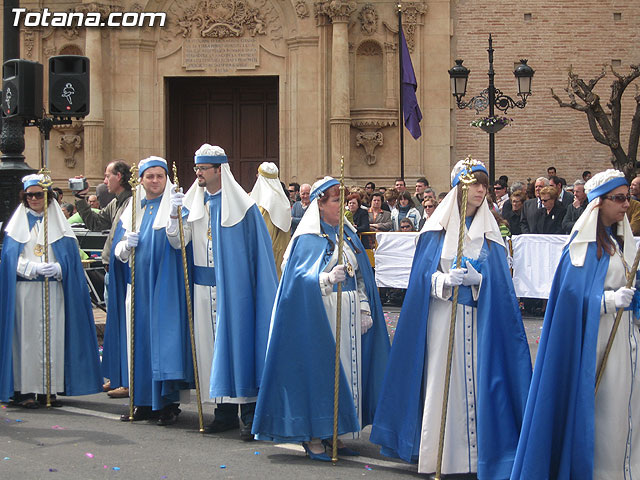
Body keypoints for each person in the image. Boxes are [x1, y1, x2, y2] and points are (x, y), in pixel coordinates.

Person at [370, 159, 532, 478]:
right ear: (459, 188)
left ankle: (476, 457)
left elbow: (502, 288)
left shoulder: (490, 236)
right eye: (474, 184)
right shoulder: (435, 232)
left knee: (477, 384)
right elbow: (420, 281)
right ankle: (440, 455)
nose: (481, 190)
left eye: (484, 185)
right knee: (443, 383)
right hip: (443, 321)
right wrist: (443, 281)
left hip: (479, 324)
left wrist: (479, 281)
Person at [511, 169, 640, 479]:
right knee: (605, 412)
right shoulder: (581, 248)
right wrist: (610, 301)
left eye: (627, 197)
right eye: (619, 198)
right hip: (594, 344)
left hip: (624, 339)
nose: (626, 205)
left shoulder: (618, 242)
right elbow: (570, 303)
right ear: (599, 203)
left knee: (626, 407)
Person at [252, 177, 390, 460]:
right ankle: (314, 435)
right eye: (336, 201)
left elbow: (362, 275)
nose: (342, 207)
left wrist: (364, 305)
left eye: (343, 200)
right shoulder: (308, 239)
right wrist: (326, 278)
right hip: (320, 316)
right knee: (322, 374)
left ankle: (335, 432)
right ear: (320, 205)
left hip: (349, 314)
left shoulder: (347, 234)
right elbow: (296, 282)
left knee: (347, 375)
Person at [167, 144, 278, 440]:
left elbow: (258, 257)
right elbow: (178, 242)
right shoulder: (193, 204)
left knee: (240, 348)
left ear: (220, 170)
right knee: (210, 352)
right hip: (203, 291)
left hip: (236, 293)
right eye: (197, 169)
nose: (199, 174)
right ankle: (223, 411)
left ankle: (248, 413)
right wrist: (175, 213)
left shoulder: (244, 209)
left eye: (203, 169)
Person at [0, 175, 102, 408]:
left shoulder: (58, 224)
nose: (34, 199)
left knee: (53, 338)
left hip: (53, 291)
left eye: (39, 194)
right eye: (30, 195)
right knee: (25, 341)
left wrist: (58, 268)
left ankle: (48, 388)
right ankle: (24, 389)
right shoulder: (17, 224)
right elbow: (9, 259)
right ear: (24, 197)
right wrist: (32, 268)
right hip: (25, 293)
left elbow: (71, 260)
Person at [111, 156, 193, 425]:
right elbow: (119, 252)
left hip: (163, 287)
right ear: (142, 180)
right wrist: (126, 246)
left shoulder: (176, 207)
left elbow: (179, 241)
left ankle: (166, 403)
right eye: (150, 176)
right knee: (138, 343)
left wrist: (173, 216)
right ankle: (142, 402)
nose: (155, 181)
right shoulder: (134, 207)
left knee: (163, 343)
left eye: (159, 176)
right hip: (138, 289)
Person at [250, 162, 292, 278]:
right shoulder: (281, 199)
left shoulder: (266, 203)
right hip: (281, 255)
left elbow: (262, 236)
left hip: (267, 258)